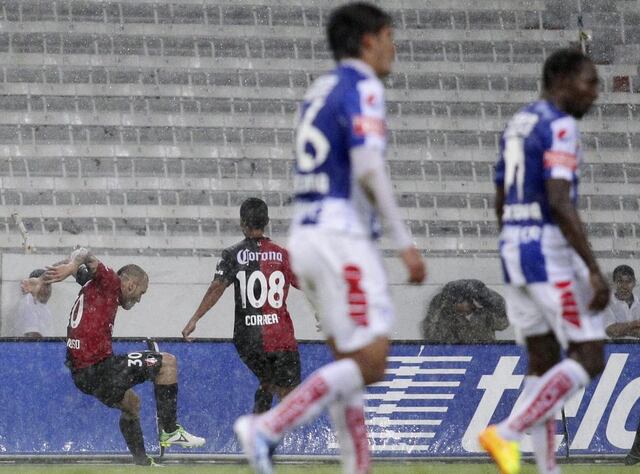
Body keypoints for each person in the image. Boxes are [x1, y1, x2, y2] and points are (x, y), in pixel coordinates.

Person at [233, 4, 426, 474]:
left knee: (350, 370)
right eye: (388, 36)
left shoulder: (318, 90)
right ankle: (269, 425)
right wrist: (403, 241)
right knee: (373, 362)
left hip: (306, 237)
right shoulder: (362, 85)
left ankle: (356, 466)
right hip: (343, 238)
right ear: (367, 42)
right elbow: (368, 167)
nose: (393, 47)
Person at [478, 48, 610, 474]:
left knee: (542, 363)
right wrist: (591, 267)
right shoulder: (560, 124)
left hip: (514, 247)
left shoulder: (519, 123)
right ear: (561, 81)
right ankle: (508, 431)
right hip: (547, 252)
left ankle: (547, 468)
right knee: (589, 356)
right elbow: (559, 200)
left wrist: (514, 241)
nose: (595, 93)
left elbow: (500, 196)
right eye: (589, 82)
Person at [22, 248, 205, 466]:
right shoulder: (111, 281)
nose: (139, 299)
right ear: (130, 285)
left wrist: (46, 277)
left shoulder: (92, 283)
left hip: (82, 375)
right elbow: (83, 252)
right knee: (167, 363)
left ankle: (142, 463)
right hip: (99, 368)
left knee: (131, 404)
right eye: (141, 293)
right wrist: (71, 265)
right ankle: (170, 431)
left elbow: (75, 264)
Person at [182, 197, 302, 413]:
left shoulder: (232, 255)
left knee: (268, 382)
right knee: (288, 395)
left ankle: (258, 428)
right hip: (280, 336)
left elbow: (216, 287)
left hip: (248, 339)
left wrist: (195, 319)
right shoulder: (283, 256)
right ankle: (272, 431)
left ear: (242, 223)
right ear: (267, 221)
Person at [422, 279, 508, 343]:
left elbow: (503, 324)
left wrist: (490, 298)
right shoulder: (446, 317)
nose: (464, 303)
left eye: (466, 299)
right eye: (458, 300)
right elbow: (430, 334)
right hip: (458, 358)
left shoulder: (485, 314)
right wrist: (438, 302)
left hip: (486, 355)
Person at [603, 265, 640, 339]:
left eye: (629, 281)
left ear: (634, 283)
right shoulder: (606, 304)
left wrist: (622, 329)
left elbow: (616, 330)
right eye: (620, 281)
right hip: (614, 349)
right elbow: (611, 331)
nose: (624, 286)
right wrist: (634, 324)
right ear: (614, 283)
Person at [14, 269, 53, 337]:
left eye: (49, 285)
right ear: (34, 286)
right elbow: (33, 336)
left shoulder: (42, 305)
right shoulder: (29, 303)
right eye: (45, 285)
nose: (48, 289)